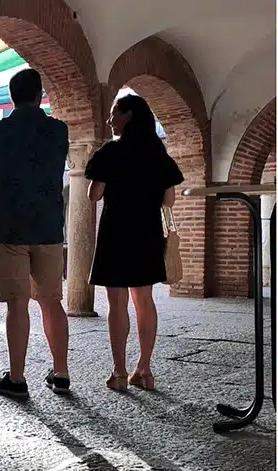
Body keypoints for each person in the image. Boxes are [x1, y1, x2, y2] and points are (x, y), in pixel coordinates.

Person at [0, 68, 71, 398]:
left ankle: (16, 378)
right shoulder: (58, 130)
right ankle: (60, 373)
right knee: (52, 302)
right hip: (48, 227)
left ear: (12, 97)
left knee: (17, 304)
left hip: (10, 228)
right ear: (39, 94)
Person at [85, 94, 184, 391]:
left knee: (117, 304)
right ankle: (145, 369)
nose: (109, 119)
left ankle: (118, 372)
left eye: (113, 113)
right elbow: (169, 200)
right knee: (145, 301)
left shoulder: (111, 152)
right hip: (147, 233)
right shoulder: (159, 155)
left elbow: (94, 195)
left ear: (127, 116)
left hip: (116, 232)